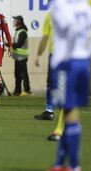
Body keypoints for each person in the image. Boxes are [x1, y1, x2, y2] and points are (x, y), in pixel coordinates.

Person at [47, 0, 91, 171]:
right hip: (82, 61)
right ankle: (61, 164)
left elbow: (70, 26)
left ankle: (74, 166)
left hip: (66, 64)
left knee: (68, 111)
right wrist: (86, 51)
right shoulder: (79, 1)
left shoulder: (58, 4)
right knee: (70, 112)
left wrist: (65, 55)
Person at [34, 12, 65, 141]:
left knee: (64, 89)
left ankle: (61, 128)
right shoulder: (50, 15)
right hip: (54, 55)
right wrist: (38, 54)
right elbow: (45, 37)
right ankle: (49, 111)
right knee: (51, 84)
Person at [12, 15, 31, 96]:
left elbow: (19, 44)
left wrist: (10, 44)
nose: (13, 22)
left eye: (15, 20)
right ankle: (17, 91)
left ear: (19, 22)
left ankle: (27, 90)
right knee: (17, 75)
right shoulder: (18, 31)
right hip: (17, 57)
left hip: (22, 57)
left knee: (23, 74)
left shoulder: (22, 32)